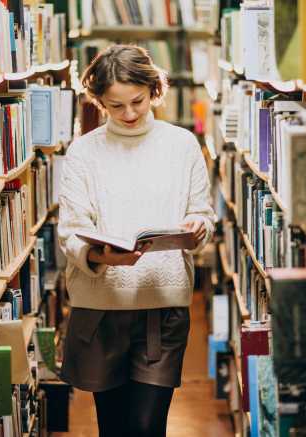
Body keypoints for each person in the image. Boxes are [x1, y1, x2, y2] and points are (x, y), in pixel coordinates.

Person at [57, 44, 215, 437]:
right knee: (113, 428)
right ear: (99, 103)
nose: (128, 114)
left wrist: (198, 225)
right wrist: (99, 255)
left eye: (137, 102)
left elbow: (204, 213)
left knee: (147, 427)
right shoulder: (83, 152)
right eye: (115, 106)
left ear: (155, 90)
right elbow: (69, 230)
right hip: (101, 307)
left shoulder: (181, 145)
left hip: (162, 306)